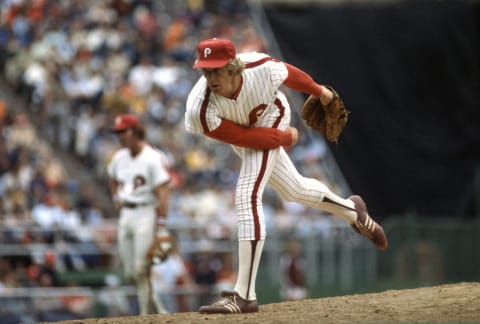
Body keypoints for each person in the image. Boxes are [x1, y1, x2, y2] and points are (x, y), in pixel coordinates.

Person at [185, 38, 388, 314]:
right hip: (251, 134)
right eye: (205, 71)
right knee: (294, 190)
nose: (210, 77)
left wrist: (321, 93)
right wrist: (283, 139)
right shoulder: (199, 108)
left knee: (247, 194)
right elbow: (242, 137)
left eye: (216, 70)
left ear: (233, 67)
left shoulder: (259, 67)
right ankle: (354, 211)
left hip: (273, 113)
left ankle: (244, 295)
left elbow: (291, 75)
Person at [107, 113, 171, 315]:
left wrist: (161, 224)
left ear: (135, 131)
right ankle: (159, 308)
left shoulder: (152, 157)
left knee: (140, 268)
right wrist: (116, 197)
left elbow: (163, 192)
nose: (120, 136)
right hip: (126, 213)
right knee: (130, 272)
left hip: (145, 211)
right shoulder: (119, 157)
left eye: (123, 131)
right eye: (118, 133)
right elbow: (112, 178)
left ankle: (144, 314)